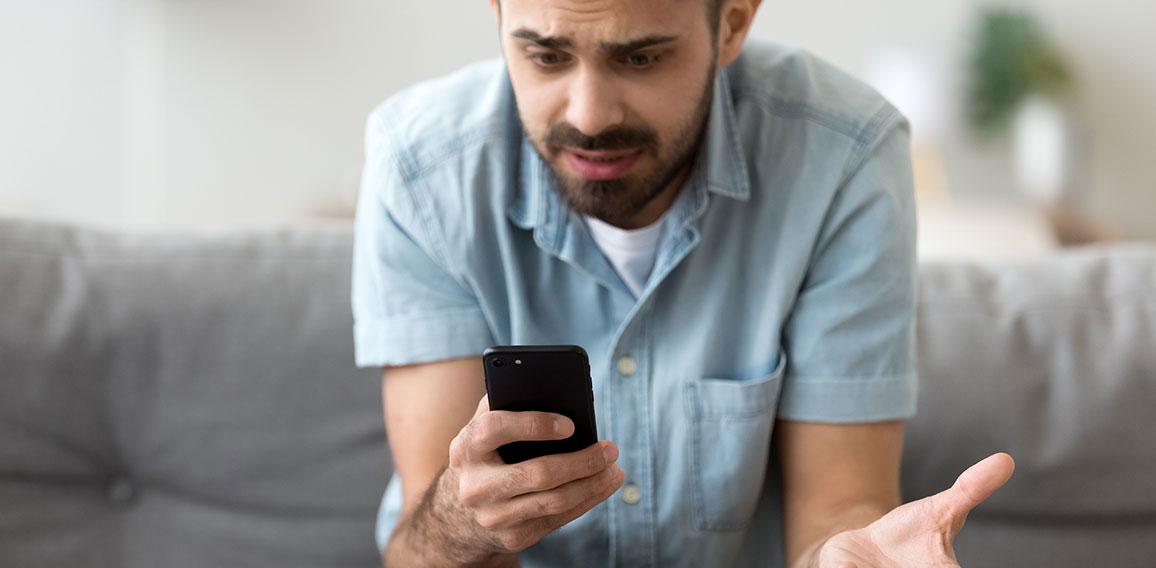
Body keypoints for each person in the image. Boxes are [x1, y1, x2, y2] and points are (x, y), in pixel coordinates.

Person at [351, 0, 1016, 566]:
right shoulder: (420, 172)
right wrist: (460, 521)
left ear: (732, 22)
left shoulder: (844, 158)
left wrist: (843, 558)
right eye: (547, 56)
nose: (588, 115)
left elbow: (839, 505)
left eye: (639, 58)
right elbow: (416, 550)